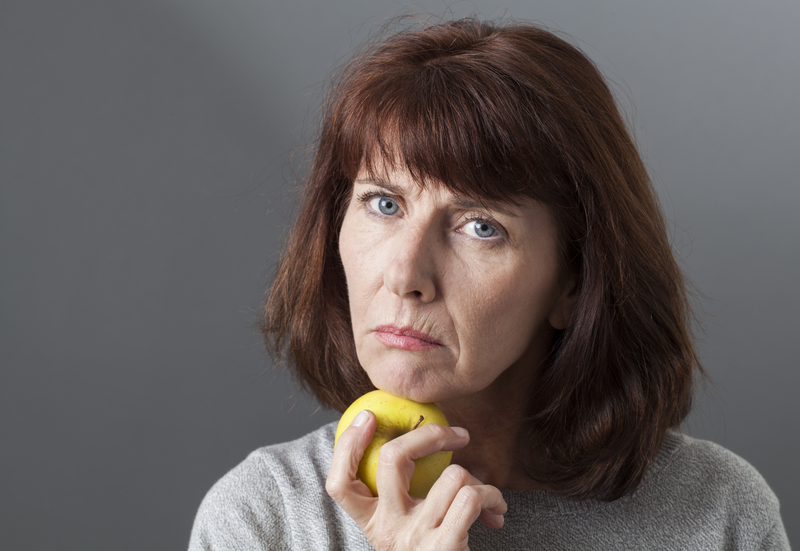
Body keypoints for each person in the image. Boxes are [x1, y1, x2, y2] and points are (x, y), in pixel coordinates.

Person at [188, 18, 790, 550]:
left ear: (575, 282)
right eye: (383, 203)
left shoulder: (717, 515)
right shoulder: (266, 520)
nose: (404, 276)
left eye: (480, 226)